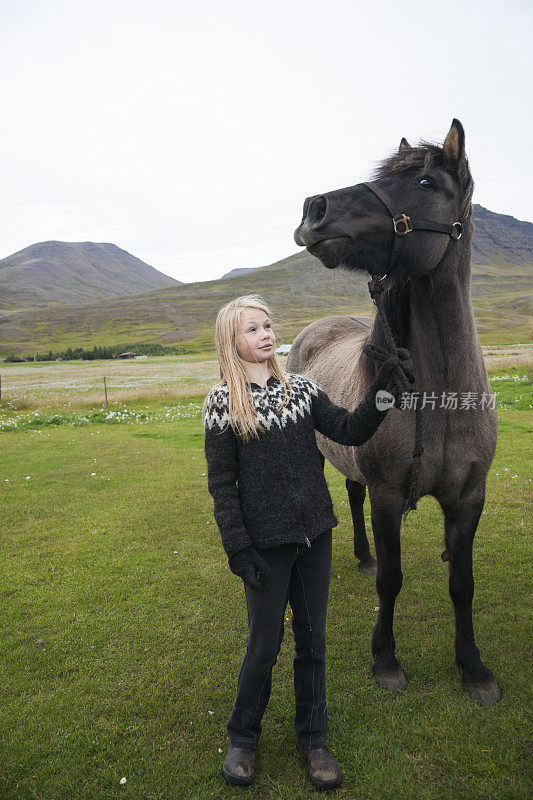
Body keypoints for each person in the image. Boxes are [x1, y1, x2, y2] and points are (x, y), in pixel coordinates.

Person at [203, 294, 413, 790]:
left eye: (269, 325)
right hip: (264, 546)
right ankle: (242, 738)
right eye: (252, 329)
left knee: (313, 643)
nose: (266, 334)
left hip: (315, 537)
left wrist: (383, 391)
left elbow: (347, 428)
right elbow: (221, 484)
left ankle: (314, 740)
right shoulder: (222, 404)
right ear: (231, 342)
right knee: (264, 643)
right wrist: (238, 547)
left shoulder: (302, 390)